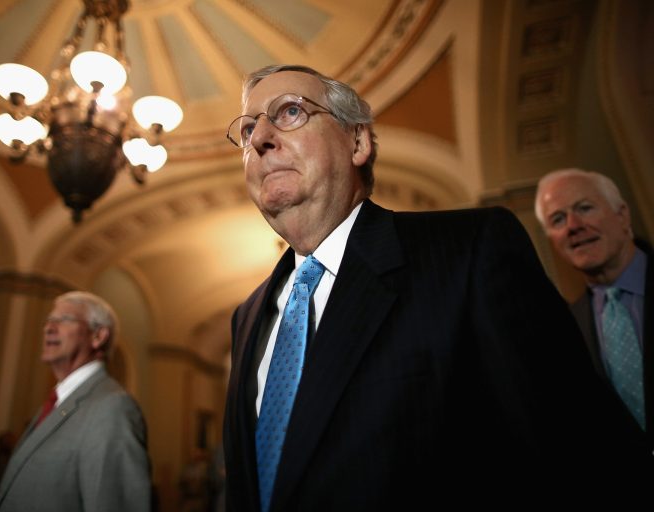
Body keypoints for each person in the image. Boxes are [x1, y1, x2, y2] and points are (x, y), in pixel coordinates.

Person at [223, 65, 649, 511]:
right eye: (249, 128)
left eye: (289, 111)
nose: (259, 138)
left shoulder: (470, 251)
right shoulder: (249, 315)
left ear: (357, 142)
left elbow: (585, 454)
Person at [0, 291, 151, 512]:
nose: (48, 328)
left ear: (98, 336)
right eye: (49, 321)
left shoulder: (111, 408)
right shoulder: (58, 402)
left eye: (64, 320)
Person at [535, 168, 651, 441]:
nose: (573, 225)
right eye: (558, 219)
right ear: (552, 239)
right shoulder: (562, 327)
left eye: (584, 208)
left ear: (622, 216)